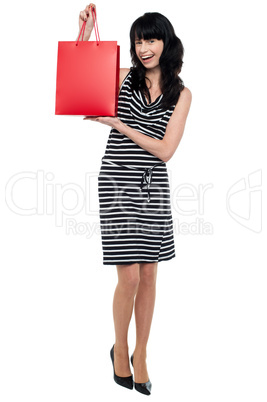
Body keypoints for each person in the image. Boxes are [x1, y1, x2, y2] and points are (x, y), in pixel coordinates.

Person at [78, 3, 192, 395]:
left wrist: (117, 124)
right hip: (117, 183)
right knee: (128, 276)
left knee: (149, 273)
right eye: (138, 40)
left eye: (151, 39)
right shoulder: (124, 77)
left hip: (152, 187)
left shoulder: (182, 94)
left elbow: (164, 151)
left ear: (166, 42)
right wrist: (84, 31)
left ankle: (141, 352)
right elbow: (79, 80)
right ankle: (121, 348)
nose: (144, 47)